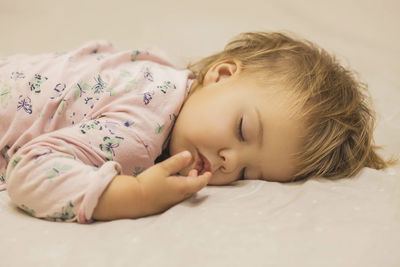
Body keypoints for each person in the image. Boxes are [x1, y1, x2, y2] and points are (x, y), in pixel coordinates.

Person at [0, 32, 391, 223]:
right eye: (242, 129)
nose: (227, 160)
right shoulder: (140, 130)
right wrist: (133, 195)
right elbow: (29, 171)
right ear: (221, 74)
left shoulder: (169, 80)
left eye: (247, 171)